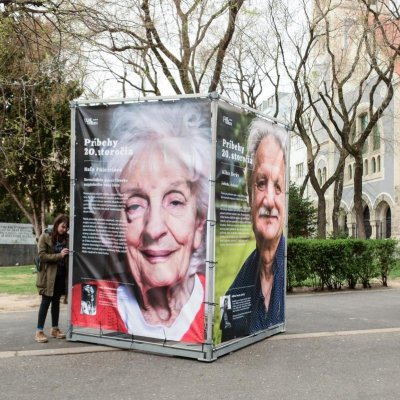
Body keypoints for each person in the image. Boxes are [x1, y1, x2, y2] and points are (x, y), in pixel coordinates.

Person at [71, 101, 210, 343]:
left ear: (198, 223)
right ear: (114, 227)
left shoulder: (217, 301)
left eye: (175, 202)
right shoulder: (87, 300)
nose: (154, 229)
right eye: (135, 205)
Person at [221, 118, 287, 341]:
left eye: (278, 186)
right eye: (261, 183)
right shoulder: (233, 293)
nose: (269, 200)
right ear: (249, 195)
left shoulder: (286, 266)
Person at [35, 215, 70, 343]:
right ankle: (39, 331)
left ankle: (55, 329)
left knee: (56, 302)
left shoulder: (67, 239)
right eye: (62, 226)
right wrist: (59, 255)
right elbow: (42, 256)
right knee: (45, 302)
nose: (64, 229)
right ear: (56, 224)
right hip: (48, 276)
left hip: (61, 275)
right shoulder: (45, 236)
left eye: (66, 227)